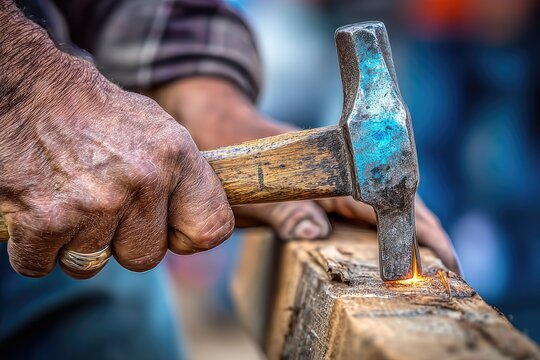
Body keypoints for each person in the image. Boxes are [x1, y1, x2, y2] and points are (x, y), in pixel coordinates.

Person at [0, 0, 459, 358]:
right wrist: (22, 90)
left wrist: (206, 99)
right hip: (34, 177)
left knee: (112, 315)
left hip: (57, 214)